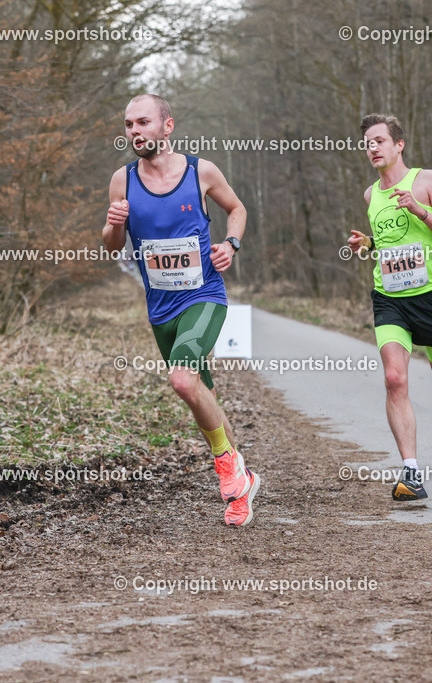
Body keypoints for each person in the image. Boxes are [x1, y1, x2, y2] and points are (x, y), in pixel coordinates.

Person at [102, 94, 260, 525]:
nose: (134, 131)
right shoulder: (123, 180)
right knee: (198, 391)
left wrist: (231, 243)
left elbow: (238, 209)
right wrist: (115, 223)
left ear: (167, 127)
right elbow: (113, 248)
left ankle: (227, 466)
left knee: (181, 379)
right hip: (161, 309)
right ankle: (241, 482)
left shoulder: (199, 171)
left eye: (143, 122)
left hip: (204, 295)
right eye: (129, 124)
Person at [347, 113, 432, 501]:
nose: (372, 148)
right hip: (390, 299)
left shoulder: (427, 180)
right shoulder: (371, 195)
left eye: (379, 141)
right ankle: (411, 473)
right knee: (394, 379)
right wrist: (367, 245)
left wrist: (420, 210)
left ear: (398, 145)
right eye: (367, 142)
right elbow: (389, 244)